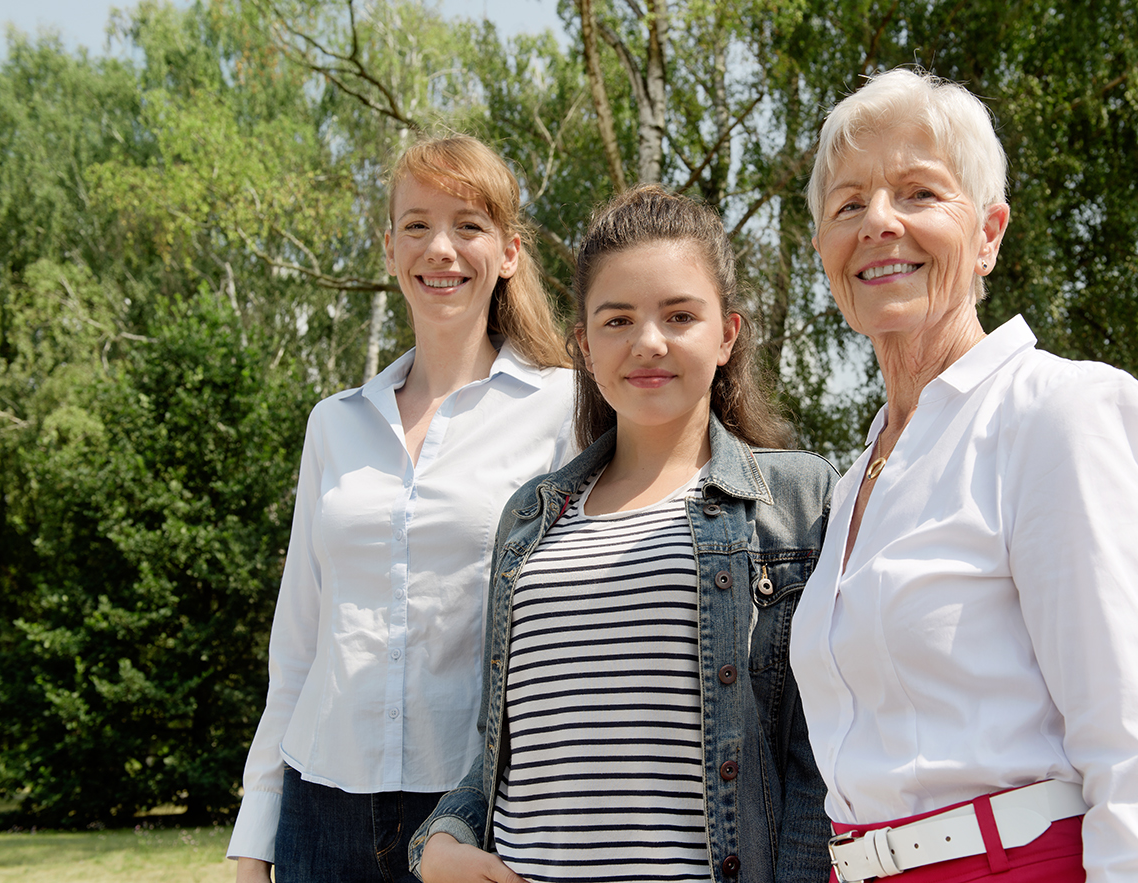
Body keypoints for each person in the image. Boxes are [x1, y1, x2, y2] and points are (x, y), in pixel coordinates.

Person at [789, 68, 1138, 883]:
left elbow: (1133, 741)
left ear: (987, 233)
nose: (878, 222)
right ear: (823, 253)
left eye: (918, 193)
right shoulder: (856, 477)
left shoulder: (1056, 412)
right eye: (848, 204)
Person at [406, 185, 838, 883]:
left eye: (680, 315)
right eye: (617, 320)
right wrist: (440, 841)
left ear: (727, 334)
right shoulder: (529, 520)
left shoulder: (796, 500)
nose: (648, 342)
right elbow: (494, 757)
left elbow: (819, 762)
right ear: (583, 344)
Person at [227, 135, 575, 883]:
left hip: (474, 810)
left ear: (509, 252)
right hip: (319, 808)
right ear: (390, 249)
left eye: (468, 225)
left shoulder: (565, 407)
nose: (439, 248)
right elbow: (298, 643)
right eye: (417, 225)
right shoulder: (334, 423)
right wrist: (256, 834)